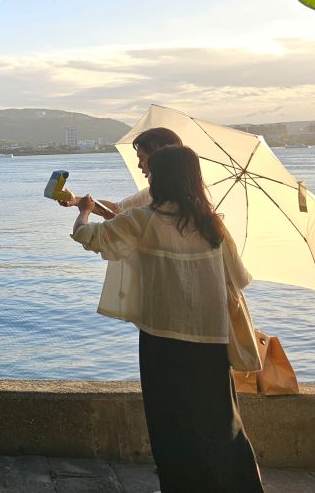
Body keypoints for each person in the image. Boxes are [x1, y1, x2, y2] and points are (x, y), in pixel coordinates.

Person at [70, 145, 264, 493]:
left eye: (151, 170)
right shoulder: (212, 223)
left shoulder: (144, 220)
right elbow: (239, 278)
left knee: (170, 424)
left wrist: (83, 212)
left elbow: (90, 237)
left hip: (163, 340)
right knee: (220, 423)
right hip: (211, 339)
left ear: (162, 178)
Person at [61, 127, 182, 323]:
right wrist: (77, 200)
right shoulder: (207, 217)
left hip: (159, 309)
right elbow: (117, 210)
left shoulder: (146, 215)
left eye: (142, 158)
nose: (139, 165)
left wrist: (84, 211)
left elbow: (86, 233)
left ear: (160, 157)